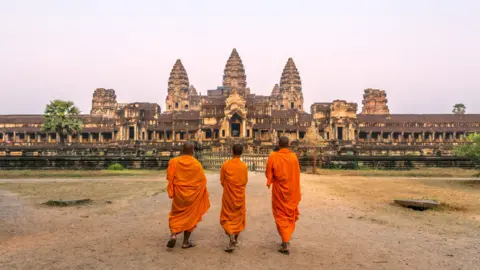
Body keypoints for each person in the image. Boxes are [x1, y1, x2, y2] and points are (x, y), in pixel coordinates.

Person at [166, 142, 210, 249]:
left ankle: (174, 235)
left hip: (179, 195)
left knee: (176, 215)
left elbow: (170, 178)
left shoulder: (174, 162)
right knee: (191, 217)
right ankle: (185, 242)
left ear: (182, 150)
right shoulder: (196, 164)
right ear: (193, 150)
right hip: (193, 196)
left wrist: (172, 191)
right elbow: (203, 181)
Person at [265, 136, 301, 255]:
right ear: (289, 145)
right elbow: (296, 174)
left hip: (279, 191)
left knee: (280, 215)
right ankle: (286, 239)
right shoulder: (294, 157)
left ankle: (285, 242)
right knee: (289, 214)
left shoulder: (273, 156)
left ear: (278, 144)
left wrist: (272, 179)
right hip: (291, 191)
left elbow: (268, 173)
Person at [220, 144, 248, 252]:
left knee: (227, 216)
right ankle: (235, 239)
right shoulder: (244, 166)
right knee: (238, 217)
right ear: (242, 153)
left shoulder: (226, 165)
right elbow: (245, 181)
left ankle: (230, 233)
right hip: (239, 195)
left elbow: (222, 181)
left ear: (232, 152)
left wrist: (228, 188)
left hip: (228, 195)